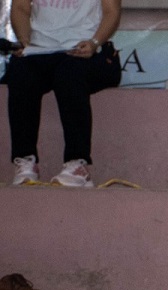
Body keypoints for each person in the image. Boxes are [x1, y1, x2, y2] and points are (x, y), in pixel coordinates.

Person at [7, 0, 121, 187]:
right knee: (21, 72)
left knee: (69, 74)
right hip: (41, 50)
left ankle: (77, 165)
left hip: (86, 52)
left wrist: (94, 43)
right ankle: (25, 162)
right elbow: (20, 8)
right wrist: (25, 41)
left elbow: (112, 11)